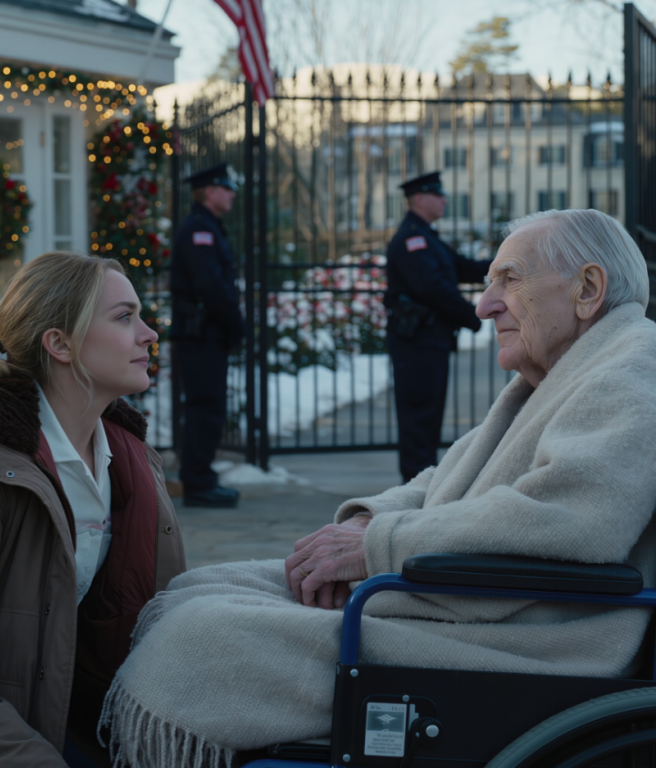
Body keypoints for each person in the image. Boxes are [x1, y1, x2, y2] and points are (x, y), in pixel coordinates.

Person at [101, 209, 656, 768]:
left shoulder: (633, 371)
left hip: (531, 637)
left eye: (509, 280)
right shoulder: (561, 375)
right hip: (467, 597)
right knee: (199, 587)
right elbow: (442, 483)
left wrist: (377, 549)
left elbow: (570, 518)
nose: (485, 304)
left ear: (587, 289)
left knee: (204, 639)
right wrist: (364, 526)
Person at [0, 251, 185, 768]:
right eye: (124, 317)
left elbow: (161, 617)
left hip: (67, 724)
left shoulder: (130, 461)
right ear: (60, 344)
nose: (149, 334)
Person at [385, 170, 491, 481]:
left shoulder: (427, 237)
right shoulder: (412, 239)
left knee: (428, 418)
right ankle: (415, 488)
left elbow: (464, 268)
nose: (444, 200)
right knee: (419, 419)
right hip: (417, 343)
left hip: (429, 342)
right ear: (419, 198)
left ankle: (422, 487)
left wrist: (507, 262)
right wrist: (471, 315)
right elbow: (431, 287)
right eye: (438, 194)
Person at [170, 162, 245, 508]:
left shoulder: (208, 226)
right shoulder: (199, 229)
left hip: (206, 332)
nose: (232, 193)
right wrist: (235, 322)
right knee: (204, 406)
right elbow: (211, 286)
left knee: (208, 405)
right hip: (200, 333)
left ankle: (201, 476)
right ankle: (198, 482)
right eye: (226, 187)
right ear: (210, 191)